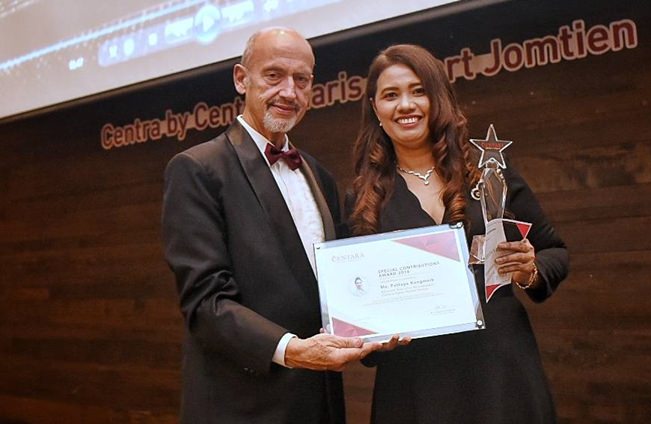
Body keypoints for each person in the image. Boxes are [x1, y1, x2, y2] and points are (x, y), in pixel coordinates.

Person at [162, 27, 388, 424]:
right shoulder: (198, 169)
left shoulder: (318, 174)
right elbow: (205, 303)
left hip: (320, 402)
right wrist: (294, 350)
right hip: (243, 405)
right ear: (240, 78)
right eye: (274, 75)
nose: (289, 92)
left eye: (301, 80)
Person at [346, 44, 569, 423]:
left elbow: (555, 252)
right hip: (415, 383)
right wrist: (367, 333)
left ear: (438, 97)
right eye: (391, 95)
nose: (406, 105)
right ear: (375, 108)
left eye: (418, 91)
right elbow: (356, 302)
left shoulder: (488, 171)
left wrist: (529, 270)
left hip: (500, 372)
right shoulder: (363, 198)